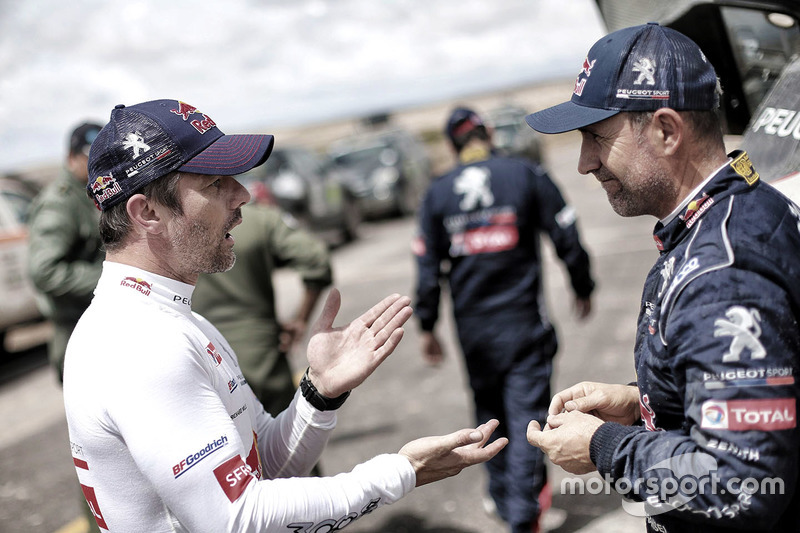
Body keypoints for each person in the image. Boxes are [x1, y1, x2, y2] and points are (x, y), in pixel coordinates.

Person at [63, 99, 507, 532]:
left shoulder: (175, 321)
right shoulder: (139, 343)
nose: (243, 194)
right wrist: (400, 472)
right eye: (215, 183)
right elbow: (235, 519)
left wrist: (319, 392)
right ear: (149, 212)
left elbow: (265, 467)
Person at [525, 23, 800, 532]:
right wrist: (641, 402)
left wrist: (600, 445)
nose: (585, 163)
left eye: (596, 137)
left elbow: (739, 482)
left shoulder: (723, 271)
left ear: (667, 131)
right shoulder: (740, 211)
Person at [413, 106, 595, 533]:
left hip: (473, 334)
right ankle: (521, 516)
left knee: (489, 416)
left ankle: (502, 497)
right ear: (487, 133)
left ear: (451, 145)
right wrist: (582, 285)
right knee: (526, 418)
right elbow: (566, 234)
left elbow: (426, 269)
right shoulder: (524, 173)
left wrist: (426, 326)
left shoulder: (437, 193)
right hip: (522, 328)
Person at [193, 202, 332, 417]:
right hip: (261, 358)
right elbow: (316, 261)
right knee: (285, 442)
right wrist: (301, 318)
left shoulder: (166, 226)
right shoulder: (257, 219)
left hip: (199, 360)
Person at [27, 121, 105, 382]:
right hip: (77, 332)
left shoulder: (92, 193)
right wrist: (110, 279)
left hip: (99, 324)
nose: (98, 162)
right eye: (90, 156)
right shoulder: (59, 203)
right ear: (71, 157)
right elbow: (45, 272)